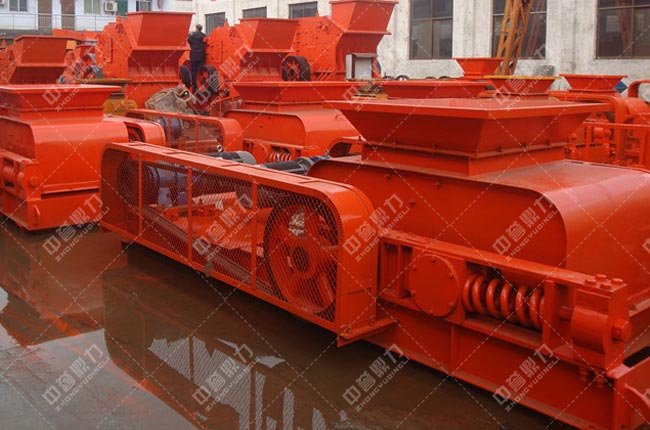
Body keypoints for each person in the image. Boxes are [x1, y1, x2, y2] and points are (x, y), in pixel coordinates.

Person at [187, 24, 207, 92]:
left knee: (193, 70)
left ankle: (194, 85)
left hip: (194, 55)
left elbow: (188, 41)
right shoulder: (204, 35)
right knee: (200, 70)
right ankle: (200, 84)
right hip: (201, 55)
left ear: (196, 29)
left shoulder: (193, 36)